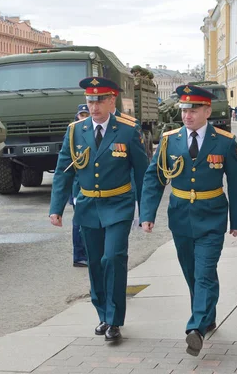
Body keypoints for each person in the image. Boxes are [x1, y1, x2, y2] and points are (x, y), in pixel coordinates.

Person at [140, 84, 237, 357]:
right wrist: (147, 214)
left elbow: (236, 183)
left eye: (194, 109)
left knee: (204, 271)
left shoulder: (224, 141)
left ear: (207, 111)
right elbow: (154, 178)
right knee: (192, 272)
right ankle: (206, 313)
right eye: (184, 109)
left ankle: (196, 328)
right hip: (180, 216)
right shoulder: (169, 139)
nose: (187, 114)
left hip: (211, 216)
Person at [49, 77, 149, 341]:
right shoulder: (75, 130)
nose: (94, 106)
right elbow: (63, 171)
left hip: (118, 205)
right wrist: (56, 207)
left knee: (113, 258)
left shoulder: (128, 130)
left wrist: (146, 212)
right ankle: (103, 314)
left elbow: (142, 173)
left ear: (112, 100)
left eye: (100, 100)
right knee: (94, 263)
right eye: (90, 100)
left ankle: (115, 320)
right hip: (88, 207)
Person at [70, 104, 91, 268]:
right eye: (81, 115)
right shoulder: (73, 135)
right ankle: (79, 255)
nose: (83, 118)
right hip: (78, 188)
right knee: (78, 223)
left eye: (86, 114)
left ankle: (88, 254)